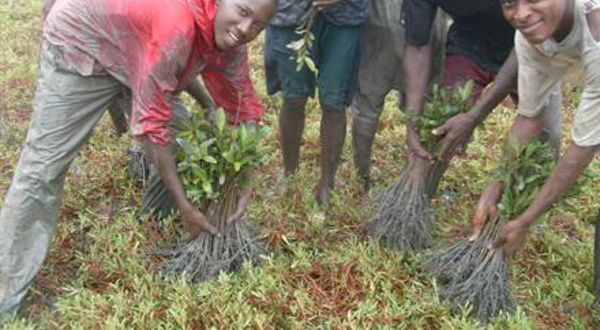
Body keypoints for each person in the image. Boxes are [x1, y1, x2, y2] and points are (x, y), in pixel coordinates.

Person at [0, 0, 277, 322]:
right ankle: (5, 290)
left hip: (144, 45)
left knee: (184, 145)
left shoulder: (230, 37)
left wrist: (246, 178)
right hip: (86, 42)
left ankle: (154, 219)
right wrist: (186, 206)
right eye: (243, 12)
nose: (246, 30)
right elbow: (151, 125)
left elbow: (242, 104)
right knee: (43, 169)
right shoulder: (176, 24)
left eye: (258, 25)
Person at [469, 0, 599, 258]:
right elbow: (529, 117)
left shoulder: (596, 31)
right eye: (509, 3)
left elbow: (582, 148)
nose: (521, 14)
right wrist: (495, 186)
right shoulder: (531, 34)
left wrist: (525, 220)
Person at [402, 0, 563, 165]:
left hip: (531, 38)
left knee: (546, 137)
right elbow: (417, 46)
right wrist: (412, 122)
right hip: (470, 40)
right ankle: (420, 183)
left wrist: (474, 116)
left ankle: (535, 188)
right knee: (443, 124)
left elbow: (525, 45)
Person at [264, 0, 368, 205]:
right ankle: (290, 174)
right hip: (291, 12)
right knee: (293, 97)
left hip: (346, 15)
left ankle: (327, 184)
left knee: (333, 102)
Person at [348, 0, 447, 193]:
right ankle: (415, 182)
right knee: (425, 106)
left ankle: (363, 179)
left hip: (383, 21)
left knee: (368, 103)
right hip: (429, 21)